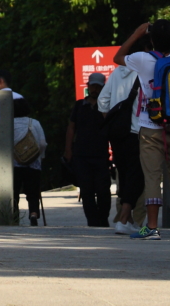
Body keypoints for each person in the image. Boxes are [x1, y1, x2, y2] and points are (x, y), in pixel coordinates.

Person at [115, 19, 170, 240]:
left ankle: (152, 228)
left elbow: (118, 57)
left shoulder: (143, 59)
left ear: (152, 39)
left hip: (150, 126)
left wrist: (137, 33)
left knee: (152, 177)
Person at [98, 43, 145, 234]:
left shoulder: (117, 72)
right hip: (138, 131)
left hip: (117, 134)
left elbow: (102, 101)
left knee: (124, 174)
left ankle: (127, 219)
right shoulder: (144, 72)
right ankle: (124, 218)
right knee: (137, 175)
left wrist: (113, 121)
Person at [65, 73, 111, 227]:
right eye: (93, 86)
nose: (95, 89)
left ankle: (103, 219)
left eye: (98, 86)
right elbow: (71, 128)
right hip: (81, 155)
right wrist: (68, 150)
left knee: (103, 190)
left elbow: (111, 128)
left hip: (101, 155)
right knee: (86, 191)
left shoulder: (106, 106)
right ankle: (92, 221)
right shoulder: (79, 106)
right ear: (88, 86)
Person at [11, 97, 48, 225]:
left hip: (14, 164)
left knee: (14, 191)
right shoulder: (34, 123)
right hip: (33, 163)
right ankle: (33, 213)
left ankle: (14, 216)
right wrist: (39, 156)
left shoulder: (9, 124)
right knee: (33, 191)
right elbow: (42, 143)